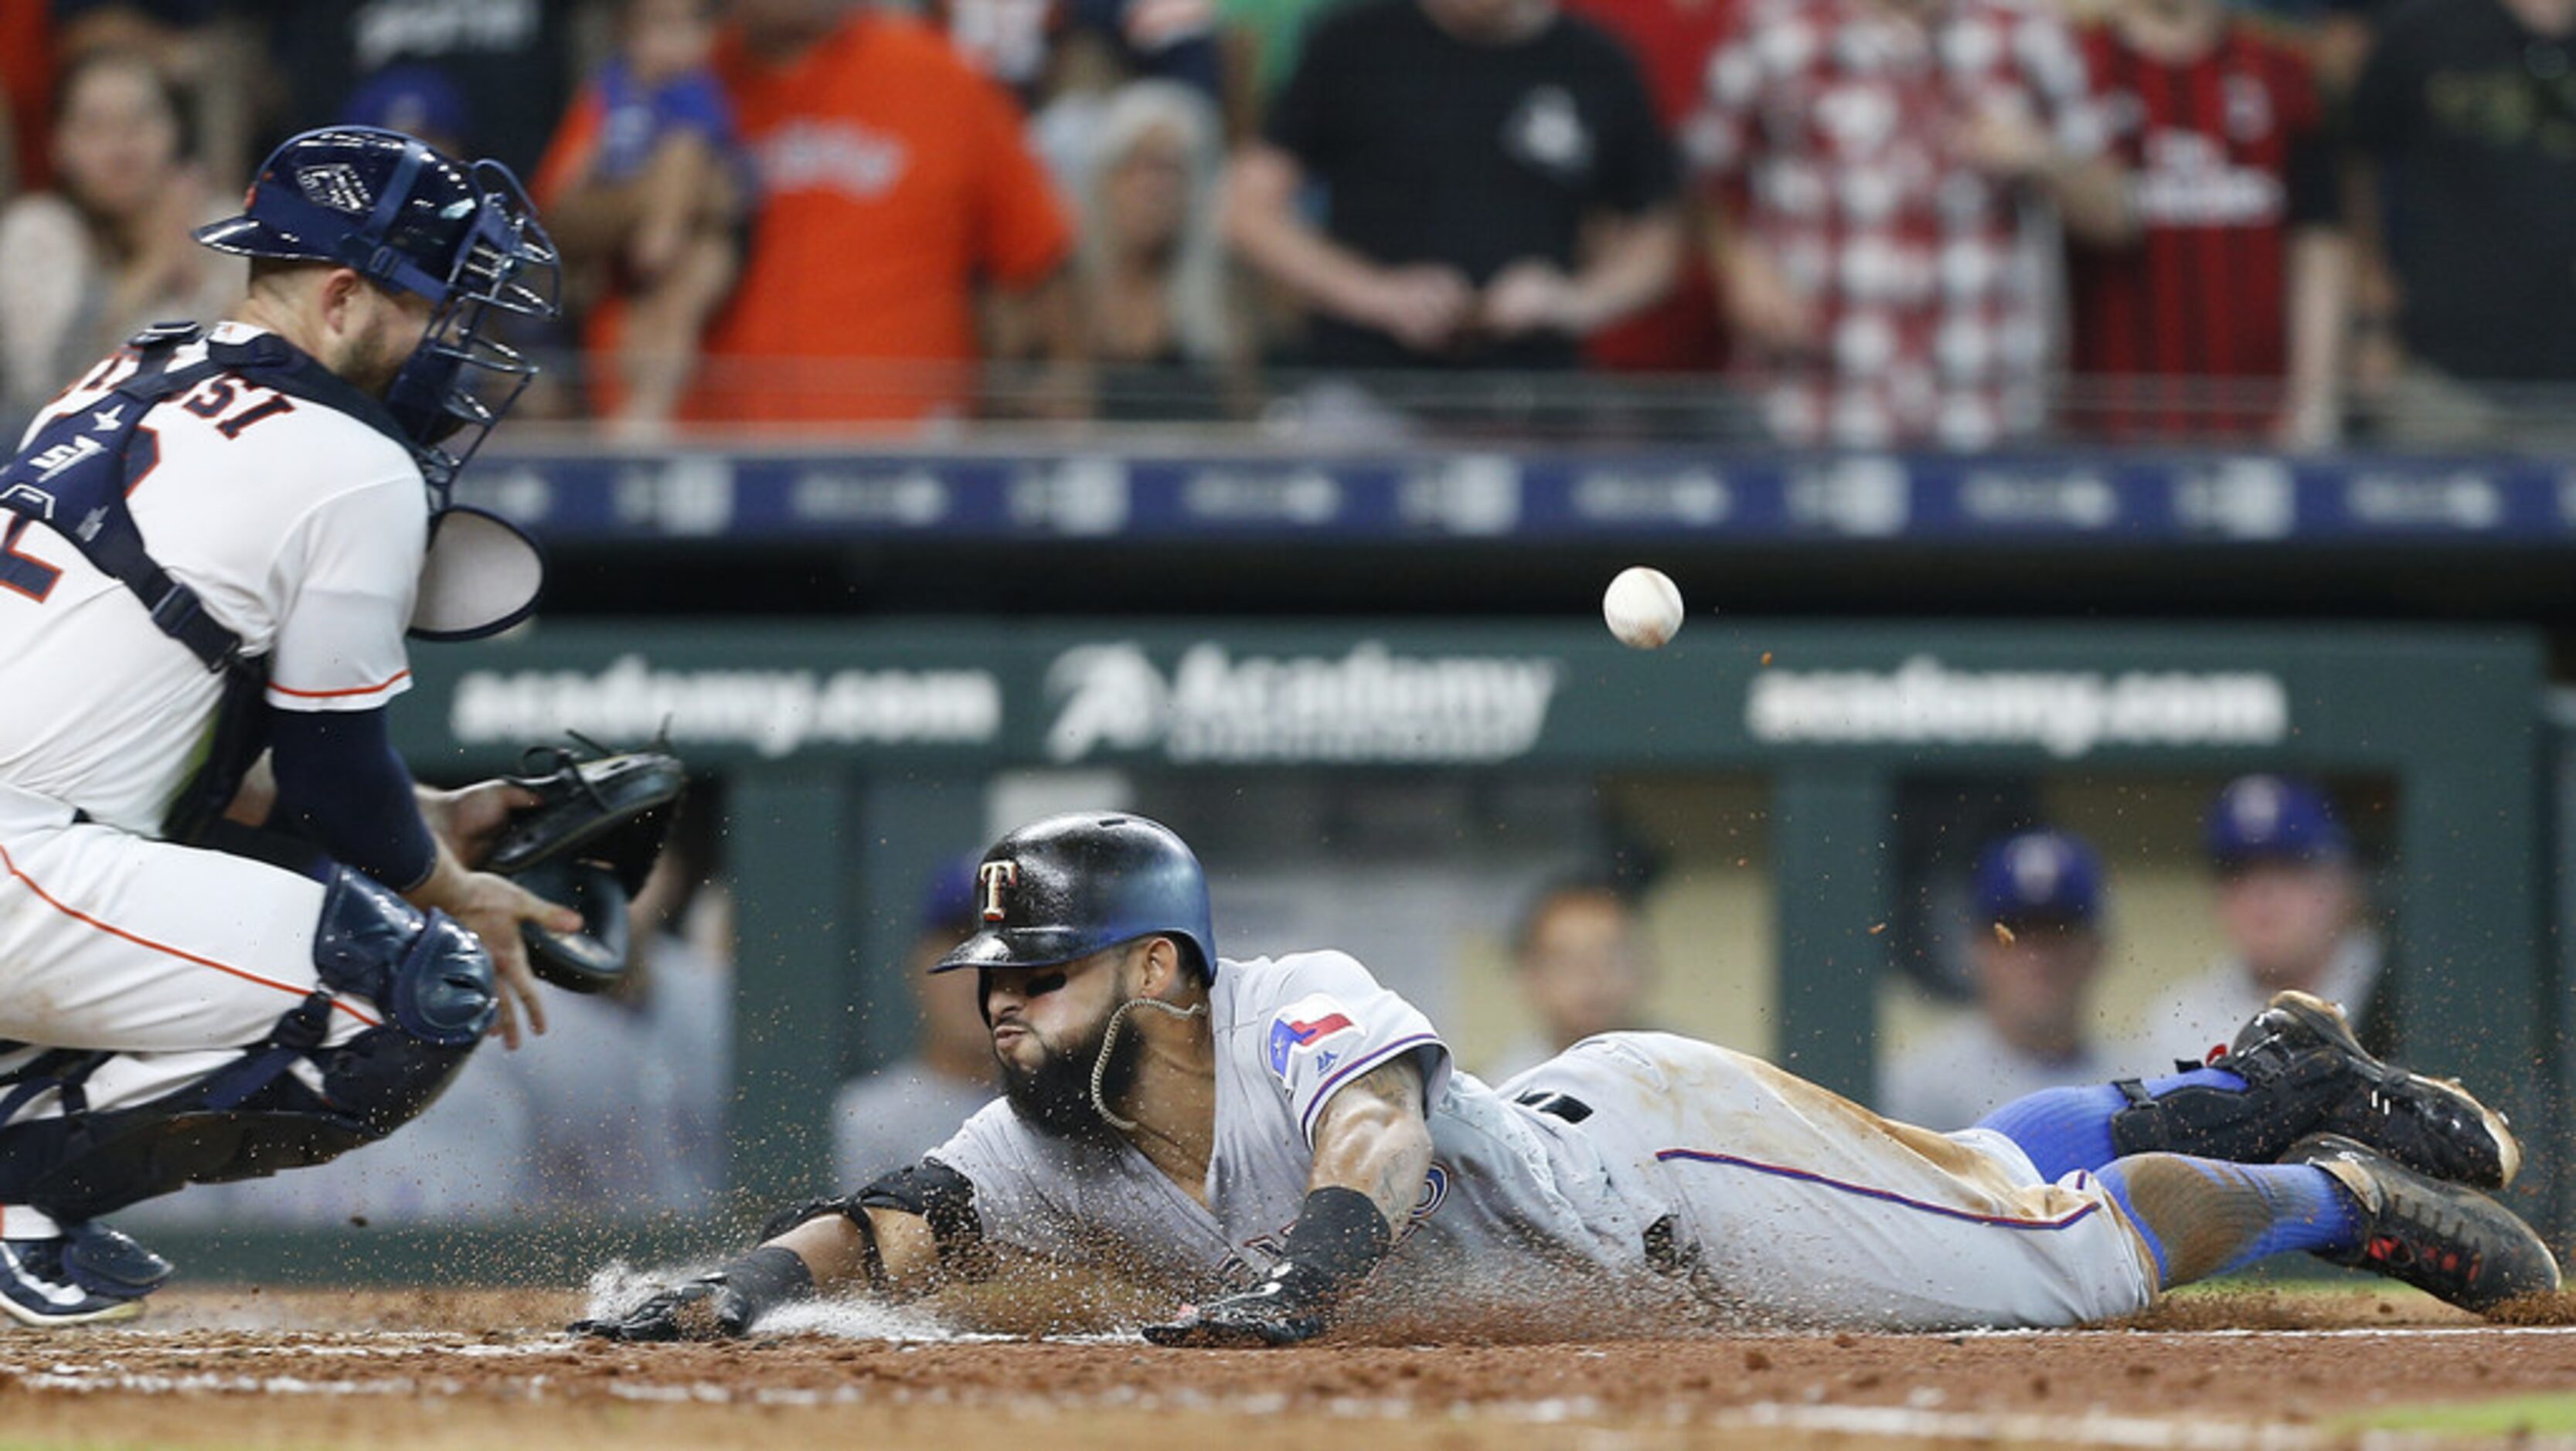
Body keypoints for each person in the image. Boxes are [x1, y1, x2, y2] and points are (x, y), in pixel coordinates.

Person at [580, 811, 2550, 1347]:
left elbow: (1375, 1126)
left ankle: (2337, 1199)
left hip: (1680, 1169)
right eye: (990, 978)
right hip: (1639, 1207)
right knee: (1957, 1168)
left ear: (1159, 966)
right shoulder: (1046, 1137)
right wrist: (740, 1286)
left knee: (2051, 1268)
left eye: (1039, 973)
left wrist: (1308, 1274)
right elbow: (899, 1222)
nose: (1000, 1008)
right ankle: (2263, 1077)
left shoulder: (1286, 998)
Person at [0, 124, 577, 1327]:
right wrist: (450, 887)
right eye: (432, 304)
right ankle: (18, 1201)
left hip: (34, 848)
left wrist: (422, 821)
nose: (452, 347)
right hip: (21, 863)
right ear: (342, 293)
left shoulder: (133, 367)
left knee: (301, 885)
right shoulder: (351, 459)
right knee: (413, 993)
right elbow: (325, 769)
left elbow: (185, 737)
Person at [1696, 0, 2134, 447]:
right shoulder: (1776, 29)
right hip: (1811, 408)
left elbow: (2116, 215)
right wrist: (1738, 266)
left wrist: (2042, 156)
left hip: (1983, 415)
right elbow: (1695, 179)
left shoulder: (2029, 32)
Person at [1222, 0, 1684, 382]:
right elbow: (1246, 210)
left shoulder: (1597, 62)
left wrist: (1567, 302)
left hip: (1535, 392)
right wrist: (1374, 294)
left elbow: (1657, 244)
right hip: (1365, 386)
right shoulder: (1354, 41)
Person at [682, 0, 1085, 427]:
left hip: (909, 456)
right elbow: (605, 217)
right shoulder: (682, 79)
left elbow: (1041, 257)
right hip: (716, 456)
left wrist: (1070, 396)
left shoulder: (939, 75)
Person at [2067, 0, 2348, 445]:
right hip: (2105, 420)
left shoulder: (2284, 68)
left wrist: (2313, 398)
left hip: (2255, 415)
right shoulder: (2075, 61)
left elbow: (2318, 242)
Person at [2344, 0, 2576, 445]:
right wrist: (2371, 311)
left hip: (2567, 375)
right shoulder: (2422, 31)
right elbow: (2353, 160)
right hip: (2438, 369)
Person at [532, 0, 749, 434]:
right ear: (628, 34)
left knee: (677, 306)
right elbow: (565, 187)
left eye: (690, 29)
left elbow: (697, 162)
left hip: (698, 242)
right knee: (641, 320)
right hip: (622, 262)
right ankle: (638, 412)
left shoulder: (693, 90)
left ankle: (652, 407)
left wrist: (663, 223)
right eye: (660, 29)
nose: (675, 44)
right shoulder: (609, 91)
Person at [0, 48, 240, 430]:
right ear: (58, 145)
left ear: (176, 129)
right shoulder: (37, 230)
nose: (120, 146)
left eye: (139, 120)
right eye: (95, 126)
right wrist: (153, 267)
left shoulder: (222, 224)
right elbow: (45, 392)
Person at [2129, 775, 2384, 1067]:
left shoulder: (2396, 986)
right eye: (2238, 870)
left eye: (2289, 867)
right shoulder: (2180, 1022)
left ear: (2343, 882)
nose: (2262, 893)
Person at [1880, 828, 2116, 1130]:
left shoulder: (2140, 1079)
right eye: (2014, 937)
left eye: (2057, 935)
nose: (2038, 959)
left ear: (2096, 949)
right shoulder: (1923, 1086)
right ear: (1976, 949)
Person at [1071, 80, 1247, 421]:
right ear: (1103, 181)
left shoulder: (1228, 302)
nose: (1152, 188)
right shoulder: (1066, 295)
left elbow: (1246, 426)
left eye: (1169, 169)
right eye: (1135, 166)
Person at [833, 858, 1002, 1183]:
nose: (980, 973)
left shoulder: (1071, 1114)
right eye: (961, 944)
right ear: (918, 966)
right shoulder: (866, 1117)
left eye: (1001, 951)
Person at [1481, 873, 1656, 1082]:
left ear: (1646, 965)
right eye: (1569, 961)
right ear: (1529, 976)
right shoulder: (1504, 1092)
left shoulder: (1688, 1071)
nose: (1593, 976)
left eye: (1611, 958)